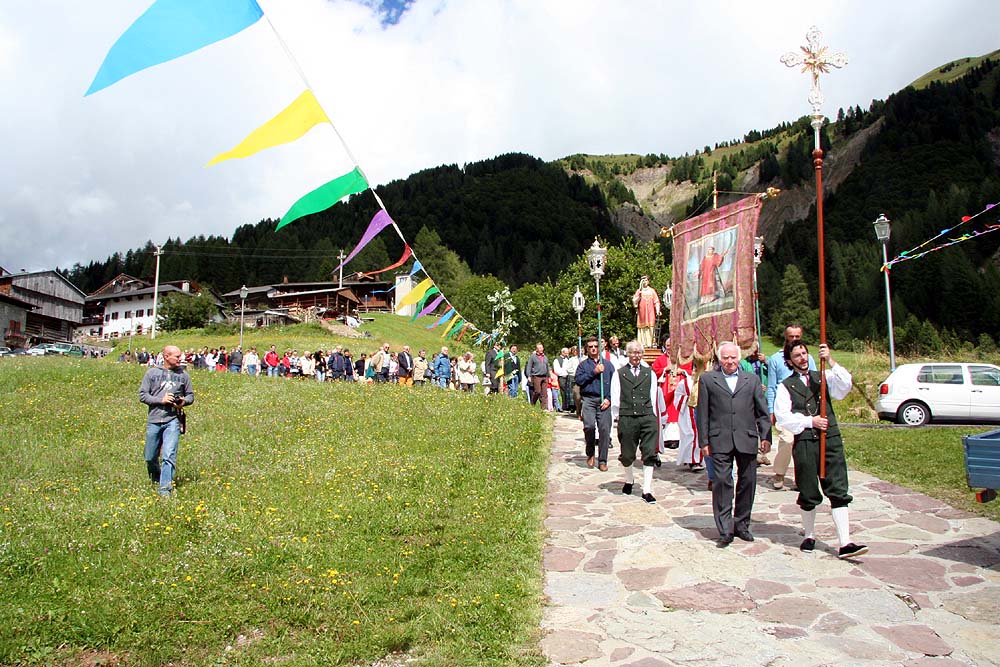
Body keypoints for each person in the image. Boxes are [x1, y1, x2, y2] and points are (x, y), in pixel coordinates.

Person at [775, 341, 868, 559]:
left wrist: (830, 360)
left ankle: (845, 542)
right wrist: (810, 421)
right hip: (806, 441)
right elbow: (783, 417)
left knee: (838, 488)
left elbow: (844, 387)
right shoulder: (786, 386)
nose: (802, 358)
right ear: (789, 361)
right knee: (808, 489)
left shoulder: (823, 376)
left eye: (804, 353)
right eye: (797, 355)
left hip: (830, 439)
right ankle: (809, 535)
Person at [696, 341, 771, 547]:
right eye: (726, 358)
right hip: (719, 438)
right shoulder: (708, 379)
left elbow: (762, 411)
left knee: (748, 482)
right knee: (722, 482)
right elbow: (702, 413)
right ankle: (725, 528)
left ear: (739, 358)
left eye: (733, 357)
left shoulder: (752, 380)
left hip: (746, 438)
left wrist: (765, 436)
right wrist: (704, 441)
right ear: (719, 359)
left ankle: (742, 524)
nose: (730, 361)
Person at [611, 341, 665, 502]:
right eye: (633, 353)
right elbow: (615, 395)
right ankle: (629, 479)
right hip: (627, 417)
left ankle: (646, 490)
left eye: (639, 353)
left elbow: (653, 395)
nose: (636, 356)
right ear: (628, 354)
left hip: (647, 416)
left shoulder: (650, 373)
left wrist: (653, 416)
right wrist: (617, 417)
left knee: (649, 453)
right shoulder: (619, 373)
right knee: (627, 454)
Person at [139, 345, 194, 497]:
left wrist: (183, 402)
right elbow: (143, 395)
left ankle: (165, 489)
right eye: (177, 356)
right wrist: (160, 400)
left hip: (173, 420)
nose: (180, 359)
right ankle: (156, 478)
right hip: (154, 419)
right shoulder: (151, 373)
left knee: (169, 454)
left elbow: (190, 396)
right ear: (166, 356)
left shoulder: (184, 375)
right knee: (150, 457)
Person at [766, 324, 816, 490]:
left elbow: (815, 381)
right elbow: (771, 386)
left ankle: (802, 477)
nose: (794, 339)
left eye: (797, 336)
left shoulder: (809, 358)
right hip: (785, 405)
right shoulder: (775, 359)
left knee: (804, 444)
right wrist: (771, 410)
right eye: (791, 336)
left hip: (804, 405)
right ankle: (780, 473)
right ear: (786, 337)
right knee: (787, 440)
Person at [575, 337, 614, 470]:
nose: (593, 349)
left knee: (604, 430)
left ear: (600, 348)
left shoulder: (608, 365)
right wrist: (594, 372)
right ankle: (590, 452)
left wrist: (609, 399)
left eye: (596, 346)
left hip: (604, 401)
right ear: (587, 349)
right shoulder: (583, 365)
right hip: (589, 400)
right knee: (589, 427)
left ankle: (602, 460)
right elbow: (579, 381)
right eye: (590, 346)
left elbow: (615, 385)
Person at [632, 276, 662, 349]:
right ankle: (642, 343)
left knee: (651, 326)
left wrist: (658, 310)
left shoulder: (652, 291)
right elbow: (634, 301)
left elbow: (656, 301)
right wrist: (639, 296)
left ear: (648, 281)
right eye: (643, 280)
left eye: (646, 280)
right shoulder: (639, 291)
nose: (644, 282)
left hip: (650, 313)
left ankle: (651, 343)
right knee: (642, 327)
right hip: (642, 314)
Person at [525, 342, 550, 408]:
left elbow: (547, 367)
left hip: (544, 376)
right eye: (539, 348)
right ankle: (532, 403)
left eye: (541, 348)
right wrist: (529, 375)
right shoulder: (533, 357)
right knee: (537, 391)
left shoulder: (545, 357)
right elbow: (529, 366)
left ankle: (544, 407)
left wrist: (549, 376)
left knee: (544, 393)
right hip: (536, 376)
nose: (541, 349)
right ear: (536, 349)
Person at [553, 348, 574, 413]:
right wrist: (563, 373)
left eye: (568, 353)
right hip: (562, 377)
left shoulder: (568, 359)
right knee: (563, 391)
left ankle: (570, 406)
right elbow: (556, 370)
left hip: (568, 377)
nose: (567, 354)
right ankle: (564, 406)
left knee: (569, 391)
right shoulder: (557, 360)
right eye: (566, 353)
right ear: (562, 352)